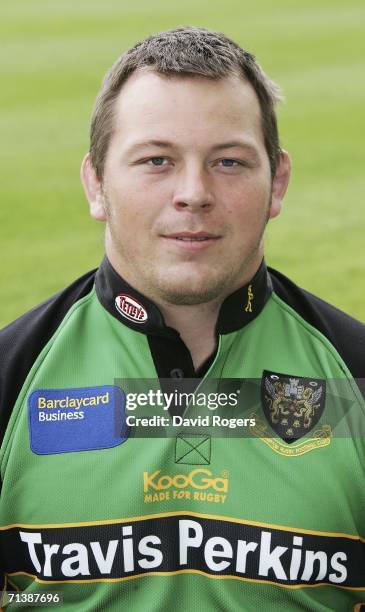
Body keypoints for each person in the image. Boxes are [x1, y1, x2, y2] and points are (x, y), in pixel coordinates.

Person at [0, 26, 364, 611]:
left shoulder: (355, 379)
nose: (193, 193)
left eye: (228, 161)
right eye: (156, 160)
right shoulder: (12, 380)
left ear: (278, 182)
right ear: (96, 183)